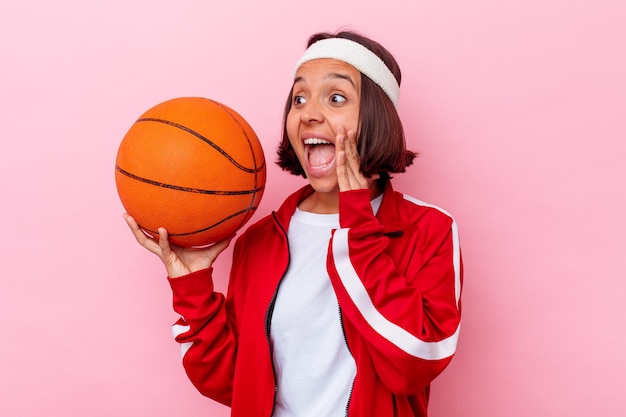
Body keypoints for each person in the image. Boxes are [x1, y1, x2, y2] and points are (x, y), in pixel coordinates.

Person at [124, 30, 462, 417]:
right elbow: (235, 382)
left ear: (376, 118)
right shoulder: (260, 240)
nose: (309, 113)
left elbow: (412, 366)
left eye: (336, 98)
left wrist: (358, 229)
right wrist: (195, 292)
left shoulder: (428, 230)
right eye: (298, 98)